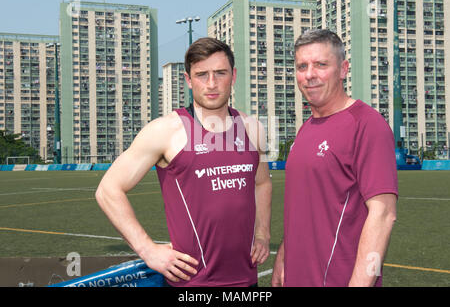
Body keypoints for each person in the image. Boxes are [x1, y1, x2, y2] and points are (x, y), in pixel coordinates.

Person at [96, 37, 272, 287]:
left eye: (220, 73)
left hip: (246, 281)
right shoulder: (165, 130)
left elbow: (262, 183)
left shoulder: (253, 129)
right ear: (188, 80)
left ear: (233, 77)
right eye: (202, 75)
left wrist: (263, 233)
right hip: (190, 283)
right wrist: (147, 250)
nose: (211, 84)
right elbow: (108, 190)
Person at [272, 29, 398, 287]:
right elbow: (304, 203)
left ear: (343, 69)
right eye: (302, 66)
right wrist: (284, 256)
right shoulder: (306, 128)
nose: (309, 75)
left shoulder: (367, 124)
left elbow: (384, 214)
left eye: (321, 65)